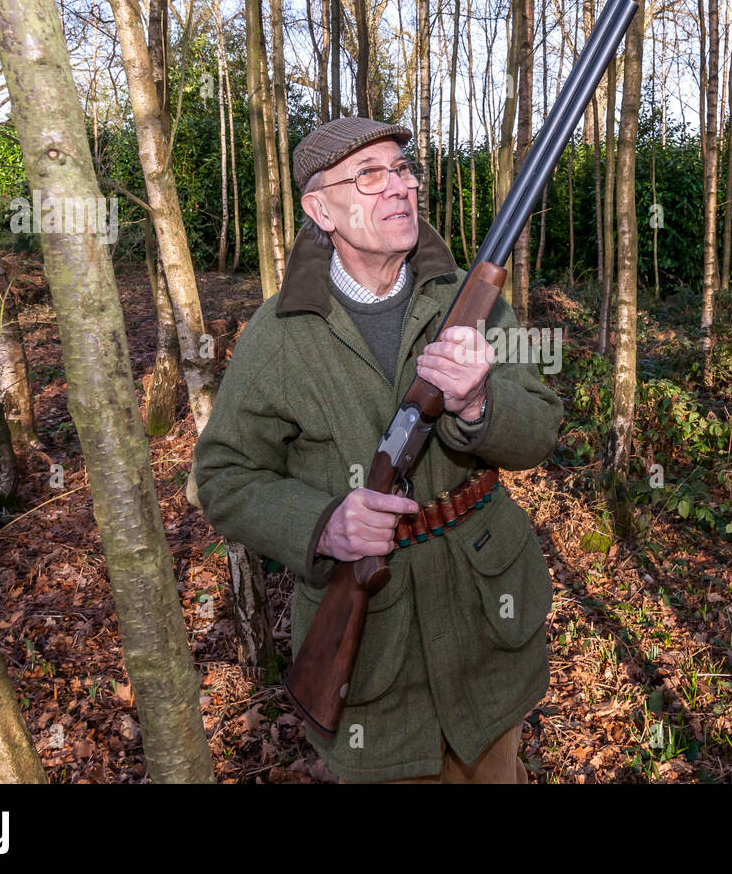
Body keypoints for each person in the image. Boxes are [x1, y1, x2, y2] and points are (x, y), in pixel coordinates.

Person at [192, 116, 564, 783]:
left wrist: (479, 404)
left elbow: (538, 431)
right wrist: (321, 524)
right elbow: (221, 476)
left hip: (484, 646)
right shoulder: (277, 335)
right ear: (319, 208)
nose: (397, 188)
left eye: (402, 169)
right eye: (368, 176)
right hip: (376, 677)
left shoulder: (469, 302)